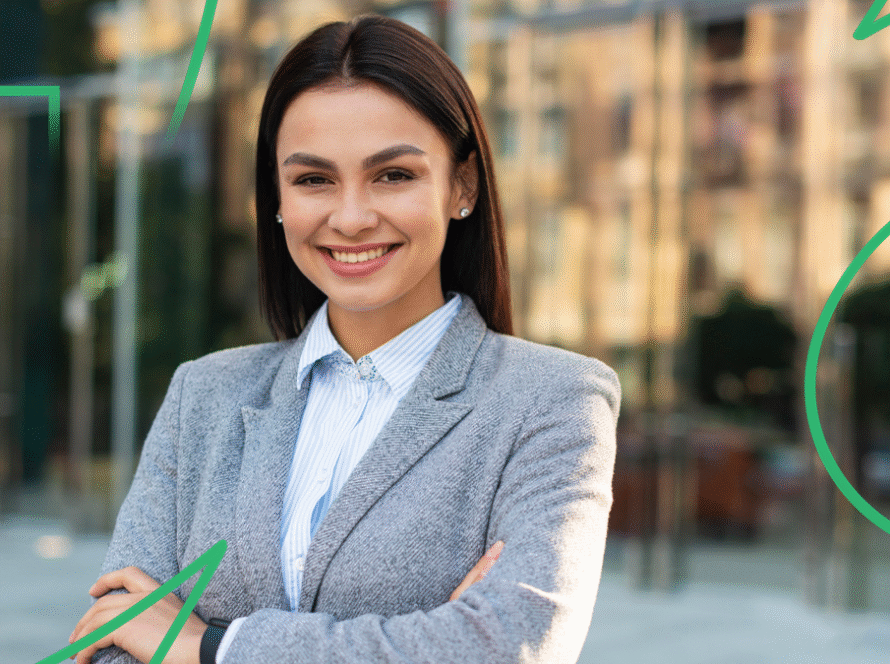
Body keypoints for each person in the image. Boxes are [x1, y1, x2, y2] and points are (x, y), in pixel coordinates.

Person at [68, 13, 620, 664]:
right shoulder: (203, 397)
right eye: (313, 179)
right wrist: (423, 636)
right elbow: (110, 640)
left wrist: (208, 643)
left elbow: (507, 644)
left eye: (393, 175)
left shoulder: (555, 400)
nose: (352, 217)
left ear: (461, 185)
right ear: (276, 196)